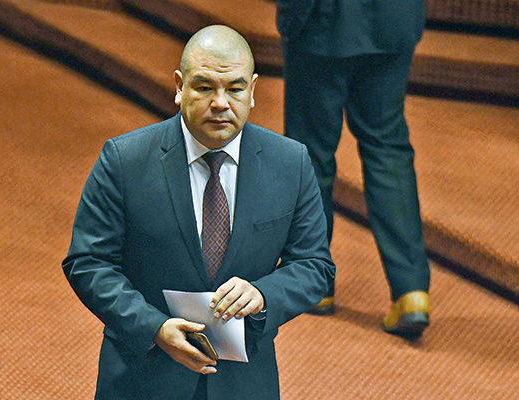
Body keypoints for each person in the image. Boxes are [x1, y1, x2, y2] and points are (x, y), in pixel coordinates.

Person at [62, 25, 335, 400]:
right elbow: (87, 261)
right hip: (142, 377)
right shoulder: (124, 161)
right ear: (179, 86)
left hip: (244, 383)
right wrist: (154, 327)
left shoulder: (291, 164)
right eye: (205, 87)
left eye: (235, 89)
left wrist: (263, 294)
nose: (221, 103)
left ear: (253, 91)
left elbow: (315, 265)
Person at [276, 0, 431, 338]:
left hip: (321, 21)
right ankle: (411, 291)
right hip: (393, 19)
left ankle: (314, 281)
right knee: (387, 148)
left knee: (311, 153)